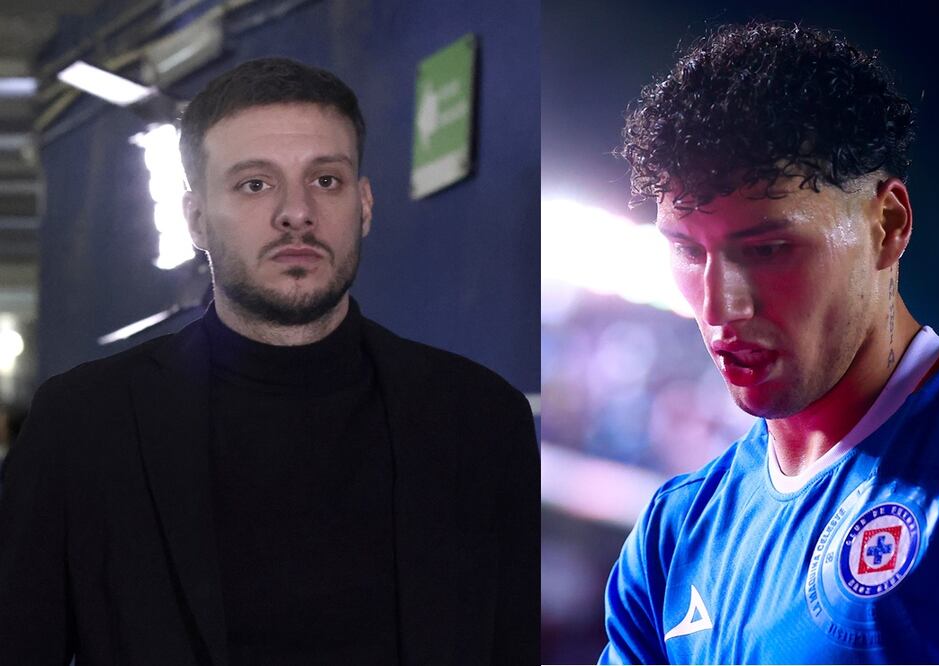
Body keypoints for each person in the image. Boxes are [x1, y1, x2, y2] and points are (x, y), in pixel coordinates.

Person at [0, 58, 538, 665]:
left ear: (364, 204)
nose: (296, 212)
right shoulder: (83, 425)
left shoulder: (482, 420)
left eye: (326, 180)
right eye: (255, 183)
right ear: (196, 218)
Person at [598, 22, 939, 664]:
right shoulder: (671, 538)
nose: (720, 306)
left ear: (888, 226)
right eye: (687, 251)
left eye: (768, 249)